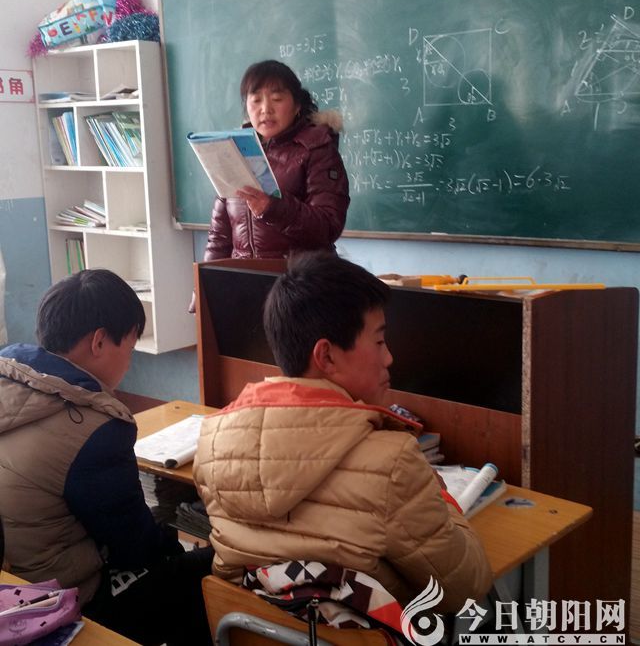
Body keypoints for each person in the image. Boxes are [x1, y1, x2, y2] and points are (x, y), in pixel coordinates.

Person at [194, 253, 493, 613]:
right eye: (379, 342)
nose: (389, 358)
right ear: (327, 357)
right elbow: (467, 588)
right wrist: (441, 497)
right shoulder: (392, 465)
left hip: (248, 631)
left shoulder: (212, 444)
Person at [0, 269, 213, 646]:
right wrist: (176, 545)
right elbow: (137, 548)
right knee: (202, 570)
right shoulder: (96, 430)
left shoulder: (10, 379)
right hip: (64, 601)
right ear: (99, 342)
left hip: (14, 583)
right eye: (129, 348)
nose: (129, 362)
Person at [202, 59, 350, 263]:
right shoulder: (234, 150)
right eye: (256, 100)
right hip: (243, 276)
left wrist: (274, 208)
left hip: (300, 277)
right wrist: (203, 281)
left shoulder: (317, 149)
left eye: (277, 99)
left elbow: (328, 226)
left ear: (297, 105)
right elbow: (219, 238)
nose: (265, 109)